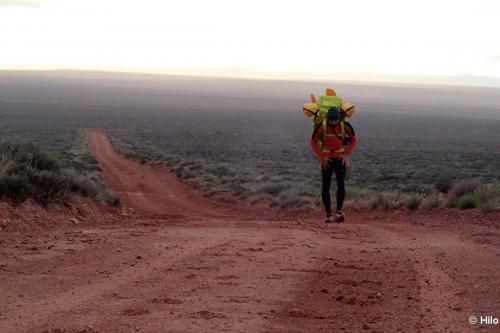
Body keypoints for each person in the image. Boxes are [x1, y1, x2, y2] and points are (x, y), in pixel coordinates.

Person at [310, 107, 358, 223]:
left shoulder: (345, 126)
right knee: (326, 186)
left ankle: (339, 211)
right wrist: (321, 156)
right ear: (328, 118)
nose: (333, 122)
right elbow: (313, 142)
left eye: (335, 119)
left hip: (340, 158)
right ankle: (328, 214)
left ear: (339, 118)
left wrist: (346, 154)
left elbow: (354, 139)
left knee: (341, 184)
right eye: (331, 119)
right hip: (326, 159)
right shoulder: (322, 127)